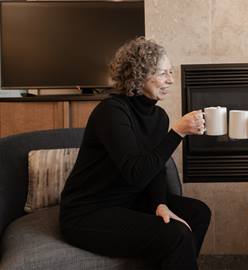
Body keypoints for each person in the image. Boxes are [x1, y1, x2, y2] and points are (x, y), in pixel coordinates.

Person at [59, 37, 210, 270]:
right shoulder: (111, 112)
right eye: (162, 73)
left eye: (170, 72)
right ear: (138, 76)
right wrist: (178, 133)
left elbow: (155, 169)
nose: (170, 80)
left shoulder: (159, 117)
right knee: (176, 234)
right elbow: (136, 173)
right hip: (89, 212)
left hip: (128, 202)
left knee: (199, 213)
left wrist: (160, 203)